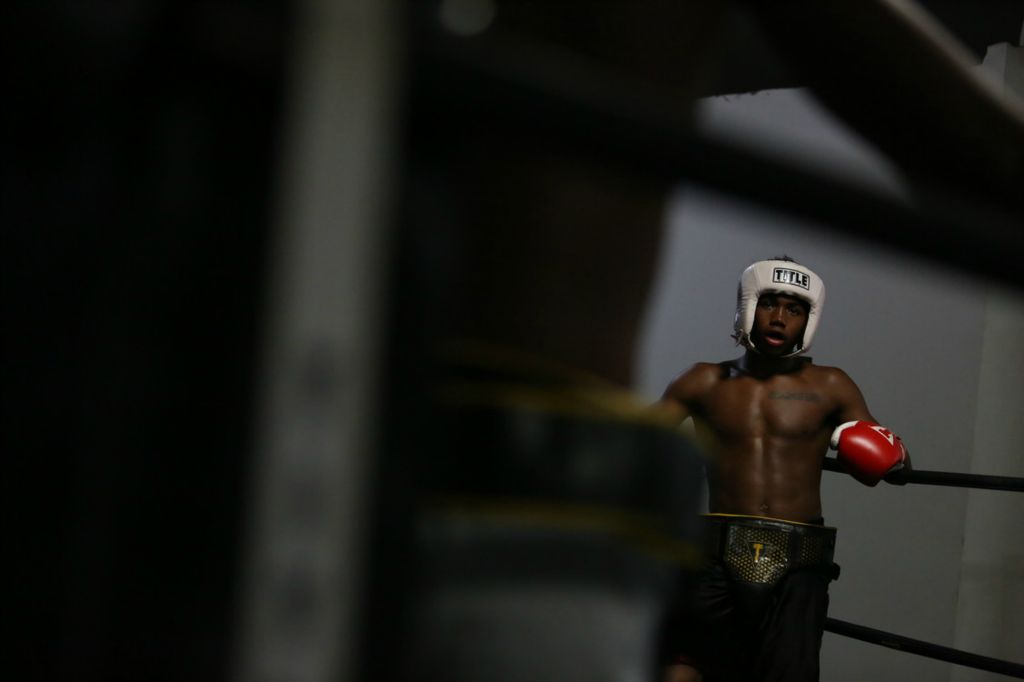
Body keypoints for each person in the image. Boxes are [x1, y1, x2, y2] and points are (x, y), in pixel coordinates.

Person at [657, 258, 910, 682]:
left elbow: (896, 462)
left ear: (808, 319)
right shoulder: (703, 381)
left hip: (799, 559)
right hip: (714, 552)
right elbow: (640, 440)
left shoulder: (831, 385)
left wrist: (888, 454)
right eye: (770, 304)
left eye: (794, 309)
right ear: (748, 305)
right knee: (682, 670)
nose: (779, 318)